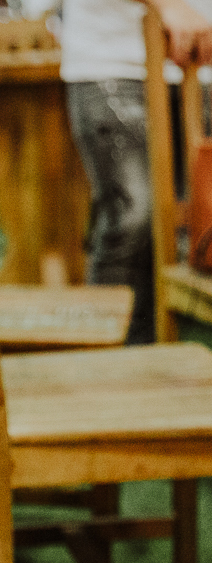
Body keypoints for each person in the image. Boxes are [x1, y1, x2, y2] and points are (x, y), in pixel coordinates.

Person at [61, 0, 212, 344]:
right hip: (113, 60)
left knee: (197, 233)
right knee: (134, 220)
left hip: (198, 64)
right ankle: (111, 366)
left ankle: (177, 361)